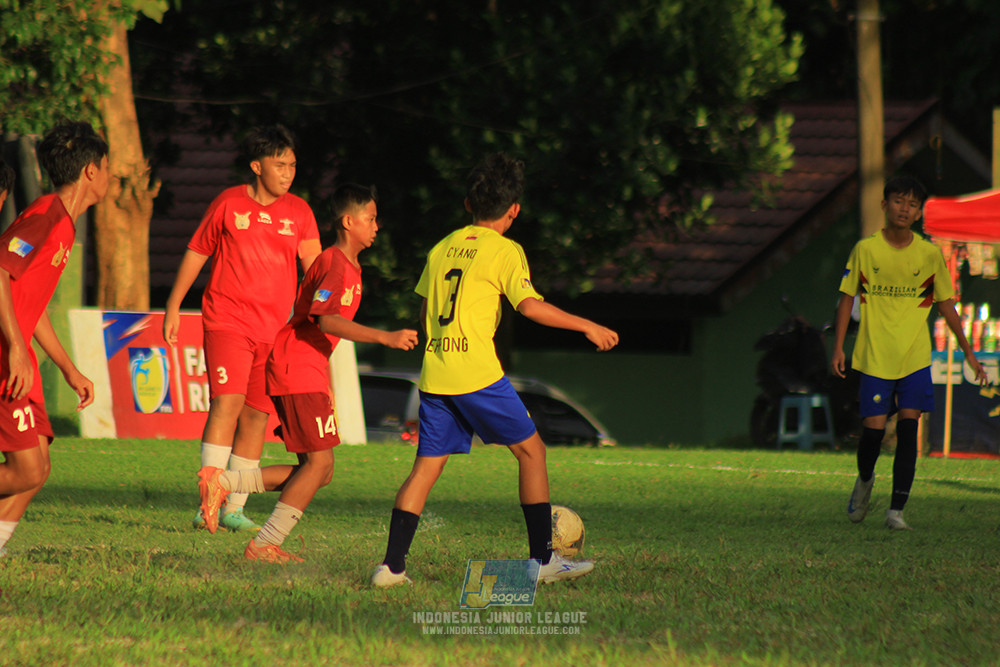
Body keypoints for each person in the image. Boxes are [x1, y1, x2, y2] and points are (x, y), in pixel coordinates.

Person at [371, 153, 619, 587]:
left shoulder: (441, 247)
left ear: (468, 204)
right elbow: (530, 306)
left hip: (436, 373)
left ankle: (391, 567)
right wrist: (587, 325)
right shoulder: (506, 250)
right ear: (514, 210)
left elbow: (427, 311)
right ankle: (542, 562)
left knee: (426, 469)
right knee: (532, 452)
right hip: (477, 374)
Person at [198, 184, 418, 562]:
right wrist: (384, 336)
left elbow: (320, 331)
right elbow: (326, 319)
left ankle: (224, 482)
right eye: (371, 218)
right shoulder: (334, 263)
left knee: (317, 471)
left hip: (304, 369)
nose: (376, 226)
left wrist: (325, 384)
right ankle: (265, 543)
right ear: (349, 222)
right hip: (294, 367)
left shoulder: (348, 266)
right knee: (320, 464)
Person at [163, 125, 322, 534]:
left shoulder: (300, 212)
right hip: (228, 323)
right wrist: (174, 304)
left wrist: (318, 321)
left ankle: (233, 506)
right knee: (226, 405)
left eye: (292, 165)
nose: (288, 173)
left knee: (255, 417)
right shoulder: (229, 203)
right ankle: (207, 504)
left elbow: (316, 272)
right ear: (257, 166)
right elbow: (198, 251)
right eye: (279, 164)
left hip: (276, 332)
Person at [832, 175, 986, 530]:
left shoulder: (929, 255)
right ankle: (865, 479)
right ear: (885, 205)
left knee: (908, 427)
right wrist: (839, 346)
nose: (905, 209)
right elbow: (846, 300)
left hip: (915, 358)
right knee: (871, 433)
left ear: (919, 213)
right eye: (899, 201)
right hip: (873, 356)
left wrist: (969, 353)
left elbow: (947, 306)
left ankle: (896, 511)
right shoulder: (865, 250)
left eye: (913, 204)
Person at [0, 122, 107, 556]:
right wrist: (17, 351)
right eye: (108, 167)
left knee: (39, 466)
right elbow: (1, 271)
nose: (110, 176)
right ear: (90, 172)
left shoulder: (65, 224)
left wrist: (68, 368)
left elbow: (32, 301)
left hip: (18, 353)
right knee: (26, 471)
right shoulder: (45, 215)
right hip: (6, 356)